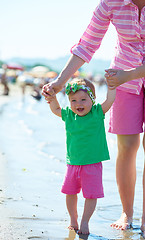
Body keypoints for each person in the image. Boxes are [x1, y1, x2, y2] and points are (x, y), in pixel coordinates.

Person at [42, 0, 145, 239]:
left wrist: (130, 74)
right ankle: (126, 215)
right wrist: (59, 82)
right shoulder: (111, 3)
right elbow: (87, 44)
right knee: (127, 146)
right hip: (120, 81)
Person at [45, 77, 116, 234]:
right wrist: (52, 98)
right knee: (70, 192)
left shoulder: (97, 112)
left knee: (91, 194)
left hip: (93, 163)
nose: (79, 104)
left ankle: (85, 221)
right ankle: (73, 219)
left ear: (92, 99)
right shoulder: (69, 115)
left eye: (83, 99)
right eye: (74, 100)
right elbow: (56, 109)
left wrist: (111, 87)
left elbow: (109, 101)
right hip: (73, 163)